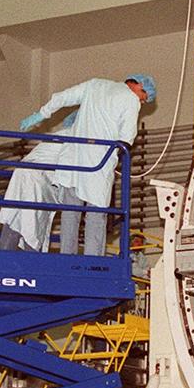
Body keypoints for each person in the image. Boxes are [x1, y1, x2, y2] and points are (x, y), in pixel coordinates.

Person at [19, 74, 155, 256]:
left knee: (70, 213)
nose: (142, 102)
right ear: (139, 86)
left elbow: (62, 97)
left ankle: (67, 257)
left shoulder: (94, 85)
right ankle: (93, 261)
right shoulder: (131, 100)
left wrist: (40, 115)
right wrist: (117, 154)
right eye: (143, 98)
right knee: (96, 217)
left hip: (73, 161)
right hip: (98, 165)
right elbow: (127, 138)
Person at [0, 111, 77, 251]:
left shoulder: (60, 135)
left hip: (24, 175)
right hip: (37, 179)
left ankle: (2, 258)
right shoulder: (76, 138)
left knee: (15, 219)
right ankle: (30, 262)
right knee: (32, 223)